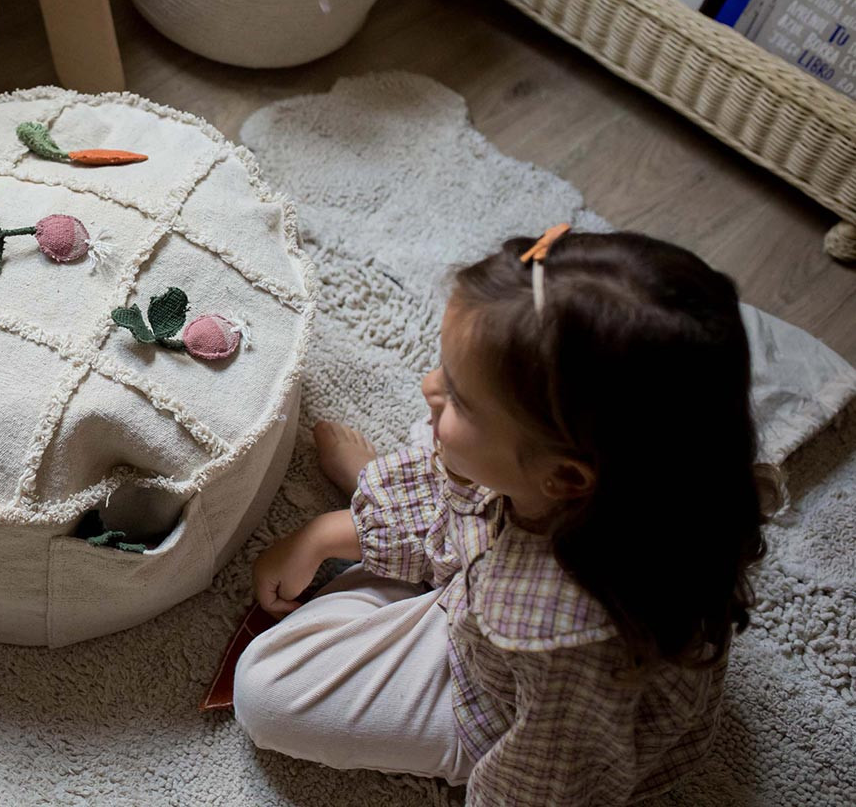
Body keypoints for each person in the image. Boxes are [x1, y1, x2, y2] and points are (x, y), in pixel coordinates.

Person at [235, 226, 775, 804]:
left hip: (508, 692)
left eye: (457, 395)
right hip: (505, 558)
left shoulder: (564, 643)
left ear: (565, 477)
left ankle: (411, 532)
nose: (426, 383)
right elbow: (470, 498)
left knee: (266, 690)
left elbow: (544, 782)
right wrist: (324, 534)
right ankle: (402, 500)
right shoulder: (614, 474)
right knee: (458, 436)